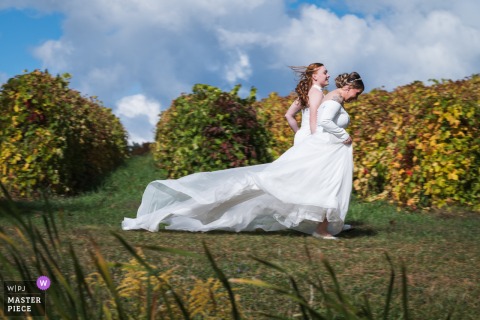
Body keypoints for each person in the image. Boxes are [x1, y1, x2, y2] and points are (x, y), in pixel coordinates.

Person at [122, 72, 364, 240]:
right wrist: (344, 135)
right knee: (262, 185)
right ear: (350, 87)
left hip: (325, 152)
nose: (357, 98)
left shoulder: (334, 97)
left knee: (319, 187)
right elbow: (323, 121)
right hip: (322, 150)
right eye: (357, 93)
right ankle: (321, 228)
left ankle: (324, 226)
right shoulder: (334, 99)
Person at [285, 63, 330, 146]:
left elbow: (288, 115)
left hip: (303, 137)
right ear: (315, 76)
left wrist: (299, 133)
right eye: (325, 73)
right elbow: (313, 119)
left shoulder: (306, 94)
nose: (328, 75)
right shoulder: (317, 93)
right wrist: (316, 140)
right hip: (311, 138)